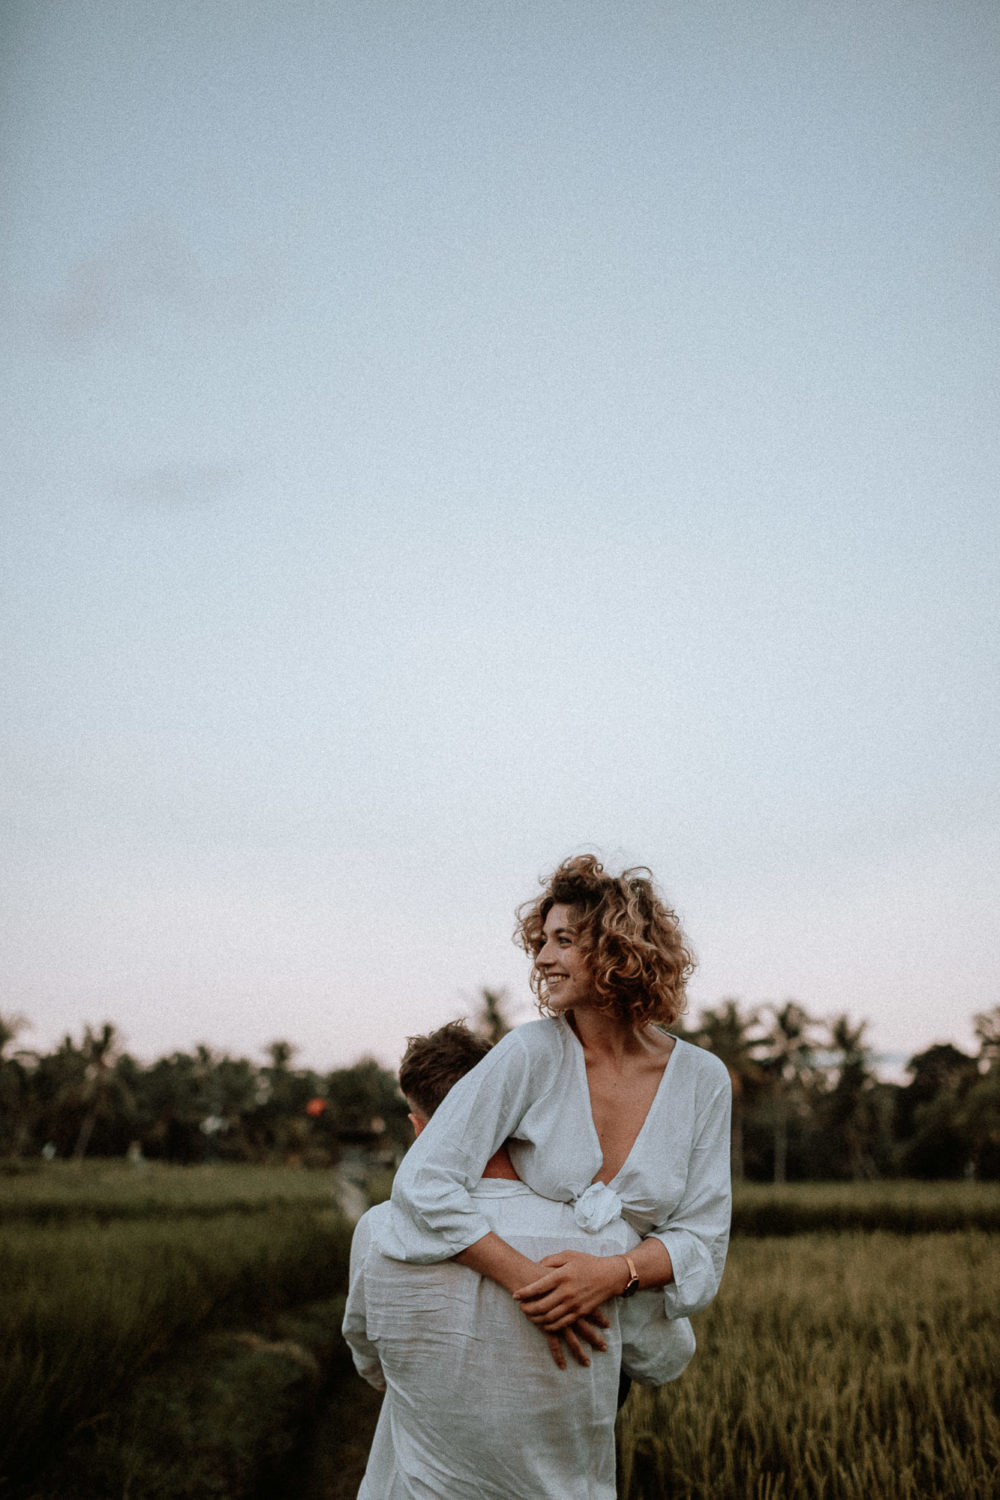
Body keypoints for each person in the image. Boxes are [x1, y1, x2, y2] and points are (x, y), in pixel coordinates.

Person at [378, 854, 732, 1354]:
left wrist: (612, 1276)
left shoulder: (702, 1079)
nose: (542, 959)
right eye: (541, 941)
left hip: (631, 1344)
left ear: (619, 951)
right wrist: (530, 1283)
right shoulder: (529, 1053)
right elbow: (424, 1181)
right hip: (528, 1330)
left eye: (563, 941)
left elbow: (703, 1237)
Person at [343, 1020, 696, 1499]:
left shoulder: (378, 1231)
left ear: (419, 1126)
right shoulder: (600, 1237)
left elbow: (370, 1361)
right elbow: (663, 1360)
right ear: (514, 1106)